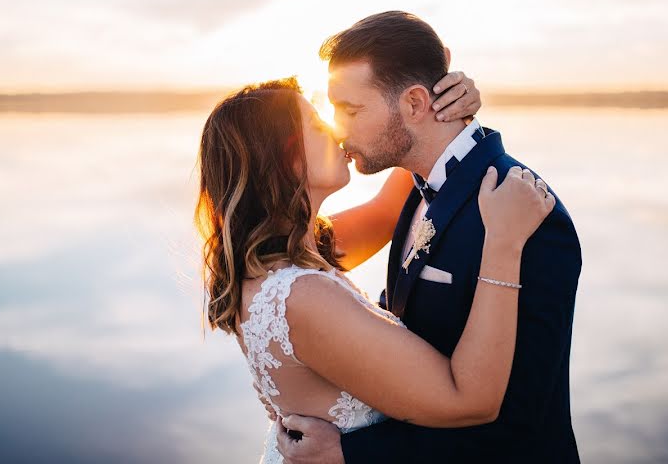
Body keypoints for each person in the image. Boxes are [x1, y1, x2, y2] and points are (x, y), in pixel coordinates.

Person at [195, 75, 555, 464]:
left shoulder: (286, 254)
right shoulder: (302, 297)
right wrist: (504, 242)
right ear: (285, 159)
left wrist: (439, 107)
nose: (337, 131)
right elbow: (468, 400)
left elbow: (386, 213)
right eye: (318, 126)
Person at [276, 11, 583, 464]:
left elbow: (520, 422)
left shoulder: (525, 215)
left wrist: (352, 453)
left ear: (416, 105)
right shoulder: (412, 190)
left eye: (351, 110)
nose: (338, 128)